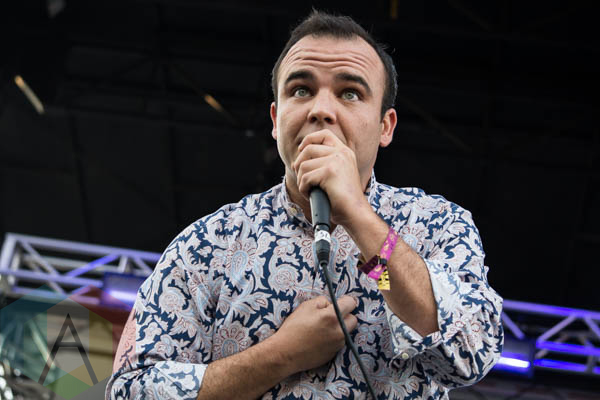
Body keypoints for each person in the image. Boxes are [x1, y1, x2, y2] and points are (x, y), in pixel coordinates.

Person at [106, 11, 503, 400]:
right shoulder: (208, 244)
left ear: (386, 126)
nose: (321, 110)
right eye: (301, 90)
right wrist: (280, 356)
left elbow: (471, 353)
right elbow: (131, 391)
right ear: (276, 119)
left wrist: (360, 219)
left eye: (350, 93)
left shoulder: (435, 224)